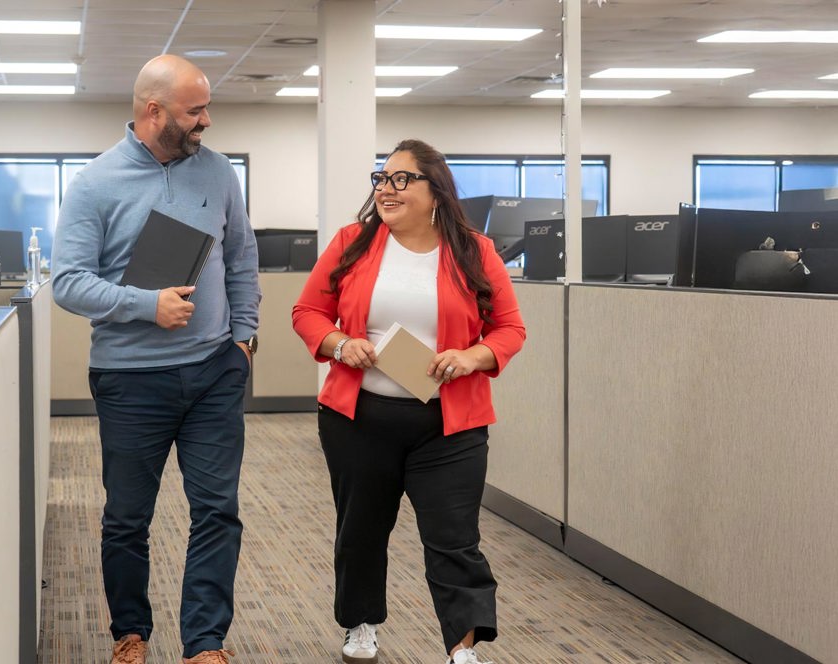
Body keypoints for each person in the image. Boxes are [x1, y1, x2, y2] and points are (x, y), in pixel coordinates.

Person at [52, 55, 261, 664]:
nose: (207, 121)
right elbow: (68, 282)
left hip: (215, 371)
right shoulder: (94, 183)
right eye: (195, 111)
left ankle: (205, 642)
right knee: (127, 517)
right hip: (130, 379)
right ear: (154, 112)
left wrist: (244, 340)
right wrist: (147, 305)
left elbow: (242, 257)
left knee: (217, 511)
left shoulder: (218, 172)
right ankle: (130, 631)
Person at [291, 139, 526, 664]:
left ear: (435, 190)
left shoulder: (474, 251)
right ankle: (360, 623)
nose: (386, 189)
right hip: (359, 419)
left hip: (450, 425)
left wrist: (472, 356)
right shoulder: (353, 242)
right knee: (361, 530)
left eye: (401, 179)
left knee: (454, 538)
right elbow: (308, 312)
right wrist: (339, 344)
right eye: (382, 178)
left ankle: (462, 648)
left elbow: (510, 328)